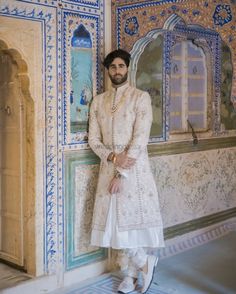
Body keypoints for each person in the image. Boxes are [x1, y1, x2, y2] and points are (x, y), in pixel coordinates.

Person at [88, 49, 164, 294]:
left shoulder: (139, 98)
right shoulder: (98, 101)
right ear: (108, 70)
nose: (117, 71)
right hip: (108, 166)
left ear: (127, 68)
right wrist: (111, 157)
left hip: (134, 170)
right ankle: (133, 271)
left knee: (129, 224)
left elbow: (140, 138)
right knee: (114, 225)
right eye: (112, 67)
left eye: (121, 66)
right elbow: (93, 139)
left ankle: (139, 267)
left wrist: (121, 173)